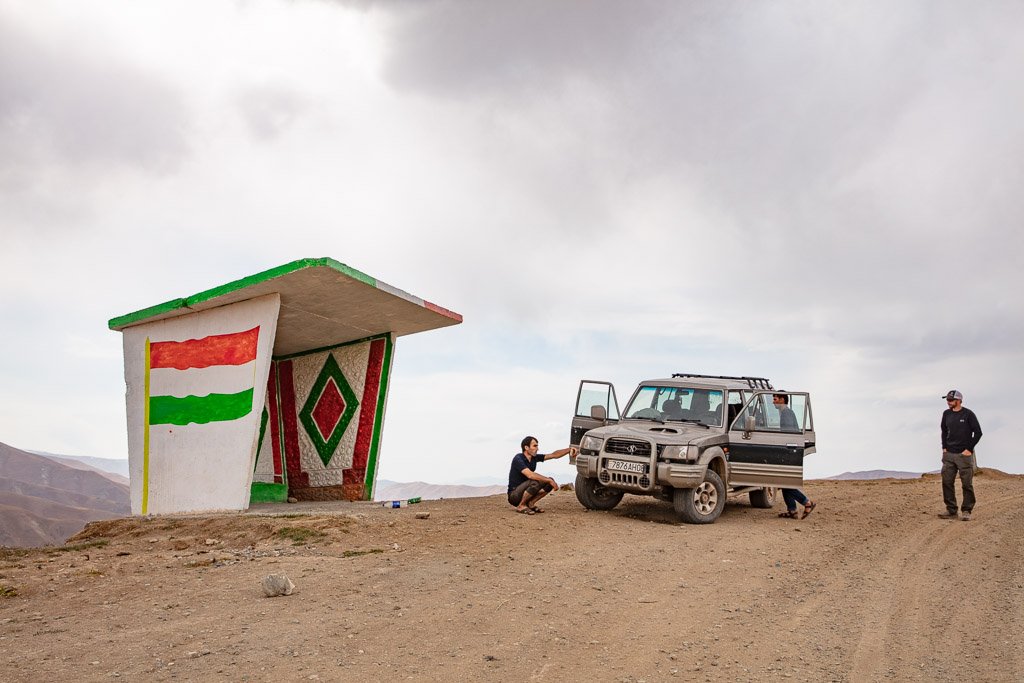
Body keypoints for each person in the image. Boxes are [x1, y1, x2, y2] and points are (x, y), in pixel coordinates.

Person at [938, 389, 983, 521]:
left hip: (964, 455)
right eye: (947, 399)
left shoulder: (968, 414)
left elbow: (978, 432)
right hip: (949, 455)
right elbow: (943, 431)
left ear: (958, 400)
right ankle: (951, 510)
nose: (948, 402)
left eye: (951, 400)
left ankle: (966, 511)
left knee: (966, 484)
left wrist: (969, 449)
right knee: (946, 482)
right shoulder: (946, 414)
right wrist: (944, 448)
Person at [772, 394, 816, 519]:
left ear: (782, 400)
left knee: (784, 482)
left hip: (788, 452)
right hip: (791, 450)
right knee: (786, 481)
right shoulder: (788, 412)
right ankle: (792, 511)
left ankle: (807, 503)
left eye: (775, 399)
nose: (773, 401)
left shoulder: (786, 414)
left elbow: (786, 435)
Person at [507, 436, 576, 515]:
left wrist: (569, 450)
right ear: (526, 447)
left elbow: (553, 455)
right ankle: (521, 505)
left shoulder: (534, 458)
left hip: (525, 491)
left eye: (537, 446)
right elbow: (530, 475)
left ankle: (530, 503)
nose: (537, 448)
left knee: (549, 482)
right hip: (514, 495)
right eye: (534, 446)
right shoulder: (518, 458)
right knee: (536, 482)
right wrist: (548, 480)